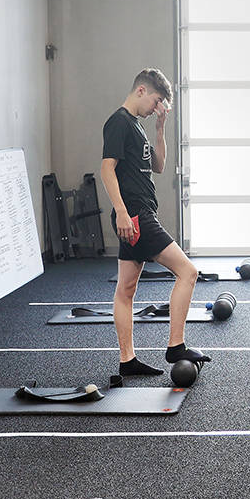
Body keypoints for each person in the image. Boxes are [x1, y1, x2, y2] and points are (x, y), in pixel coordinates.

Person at [100, 68, 200, 377]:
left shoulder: (137, 126)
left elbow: (158, 166)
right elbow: (107, 169)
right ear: (141, 91)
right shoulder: (118, 122)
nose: (156, 107)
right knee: (188, 271)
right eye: (156, 101)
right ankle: (175, 345)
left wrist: (160, 127)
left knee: (125, 291)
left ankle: (127, 361)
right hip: (136, 217)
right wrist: (120, 211)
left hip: (139, 217)